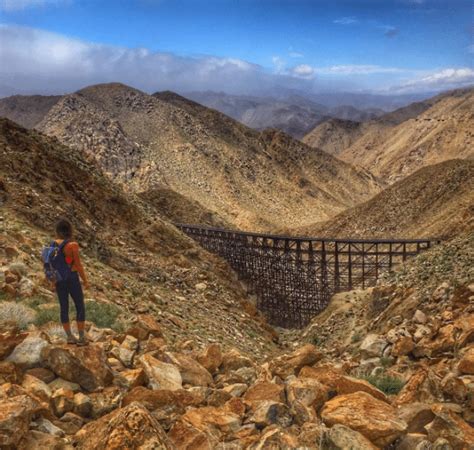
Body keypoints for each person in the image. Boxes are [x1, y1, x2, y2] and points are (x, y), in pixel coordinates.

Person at [51, 219, 89, 345]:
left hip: (59, 279)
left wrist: (52, 281)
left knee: (64, 308)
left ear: (57, 230)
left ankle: (69, 337)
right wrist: (85, 281)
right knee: (80, 307)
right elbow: (78, 265)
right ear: (70, 230)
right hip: (72, 278)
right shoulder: (73, 245)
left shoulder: (53, 244)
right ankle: (82, 338)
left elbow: (51, 264)